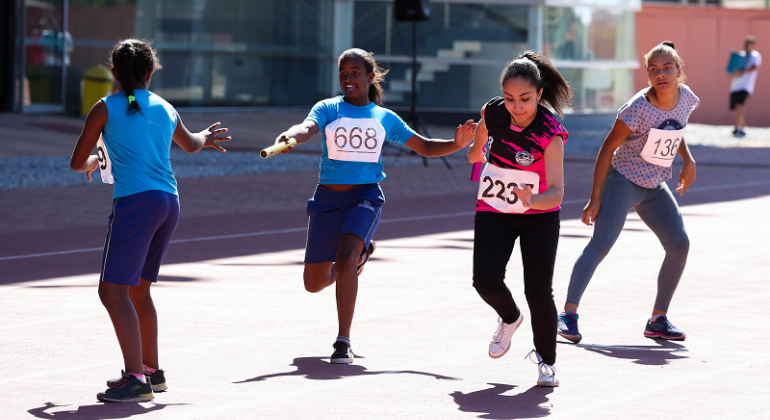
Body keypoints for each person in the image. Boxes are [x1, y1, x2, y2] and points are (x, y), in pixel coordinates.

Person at [272, 48, 476, 365]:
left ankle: (343, 340)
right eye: (343, 73)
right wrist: (289, 136)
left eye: (355, 72)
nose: (348, 78)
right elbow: (306, 128)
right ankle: (360, 258)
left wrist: (457, 144)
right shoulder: (328, 108)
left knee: (345, 256)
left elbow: (423, 145)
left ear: (370, 77)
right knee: (313, 284)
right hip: (327, 200)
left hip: (364, 197)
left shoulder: (383, 118)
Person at [69, 39, 231, 403]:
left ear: (114, 73)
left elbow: (77, 163)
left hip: (136, 204)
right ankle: (152, 372)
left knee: (111, 291)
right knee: (138, 290)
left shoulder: (103, 108)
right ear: (150, 72)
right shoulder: (165, 107)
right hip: (168, 202)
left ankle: (136, 379)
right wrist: (206, 136)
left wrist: (95, 161)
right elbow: (191, 144)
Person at [557, 41, 699, 345]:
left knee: (679, 244)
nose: (661, 74)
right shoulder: (637, 109)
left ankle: (658, 319)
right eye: (653, 70)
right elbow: (608, 148)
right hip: (623, 180)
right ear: (647, 75)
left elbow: (676, 128)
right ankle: (568, 314)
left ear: (678, 70)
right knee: (602, 243)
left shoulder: (685, 98)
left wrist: (688, 160)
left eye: (667, 68)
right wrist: (595, 197)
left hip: (655, 184)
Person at [467, 50, 572, 387]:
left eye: (525, 99)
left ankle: (547, 362)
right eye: (510, 98)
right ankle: (510, 318)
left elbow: (557, 192)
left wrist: (532, 199)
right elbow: (475, 153)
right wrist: (467, 143)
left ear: (540, 95)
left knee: (538, 291)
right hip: (494, 207)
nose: (517, 106)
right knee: (484, 281)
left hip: (538, 213)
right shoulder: (493, 112)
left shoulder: (550, 133)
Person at [729, 36, 761, 138]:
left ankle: (742, 128)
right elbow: (732, 70)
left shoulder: (755, 56)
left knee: (740, 106)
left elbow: (753, 68)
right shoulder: (741, 55)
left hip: (746, 86)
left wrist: (742, 71)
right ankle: (738, 126)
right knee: (735, 108)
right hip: (735, 86)